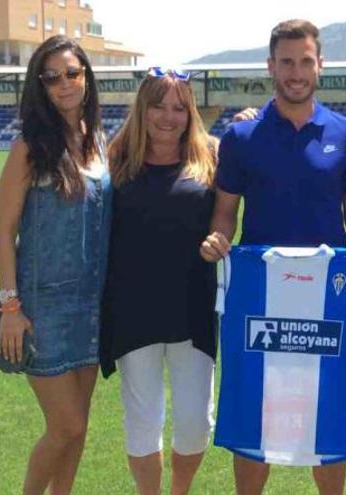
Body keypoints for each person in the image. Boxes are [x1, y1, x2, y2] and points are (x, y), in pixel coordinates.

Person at [199, 18, 346, 495]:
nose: (296, 71)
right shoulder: (242, 138)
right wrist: (216, 239)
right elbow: (225, 213)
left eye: (305, 61)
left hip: (328, 301)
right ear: (271, 66)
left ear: (319, 65)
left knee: (328, 415)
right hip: (260, 297)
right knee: (255, 412)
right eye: (286, 62)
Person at [0, 35, 110, 494]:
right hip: (42, 310)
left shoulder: (98, 140)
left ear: (86, 76)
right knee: (63, 426)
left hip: (93, 306)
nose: (63, 84)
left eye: (72, 73)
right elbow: (5, 232)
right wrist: (10, 307)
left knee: (79, 429)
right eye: (51, 77)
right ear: (39, 85)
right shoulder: (28, 147)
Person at [100, 68, 218, 495]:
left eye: (178, 108)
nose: (168, 117)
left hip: (195, 310)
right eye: (158, 106)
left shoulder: (212, 158)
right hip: (133, 311)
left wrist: (249, 122)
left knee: (194, 423)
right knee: (142, 420)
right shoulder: (114, 160)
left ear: (190, 114)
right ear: (142, 109)